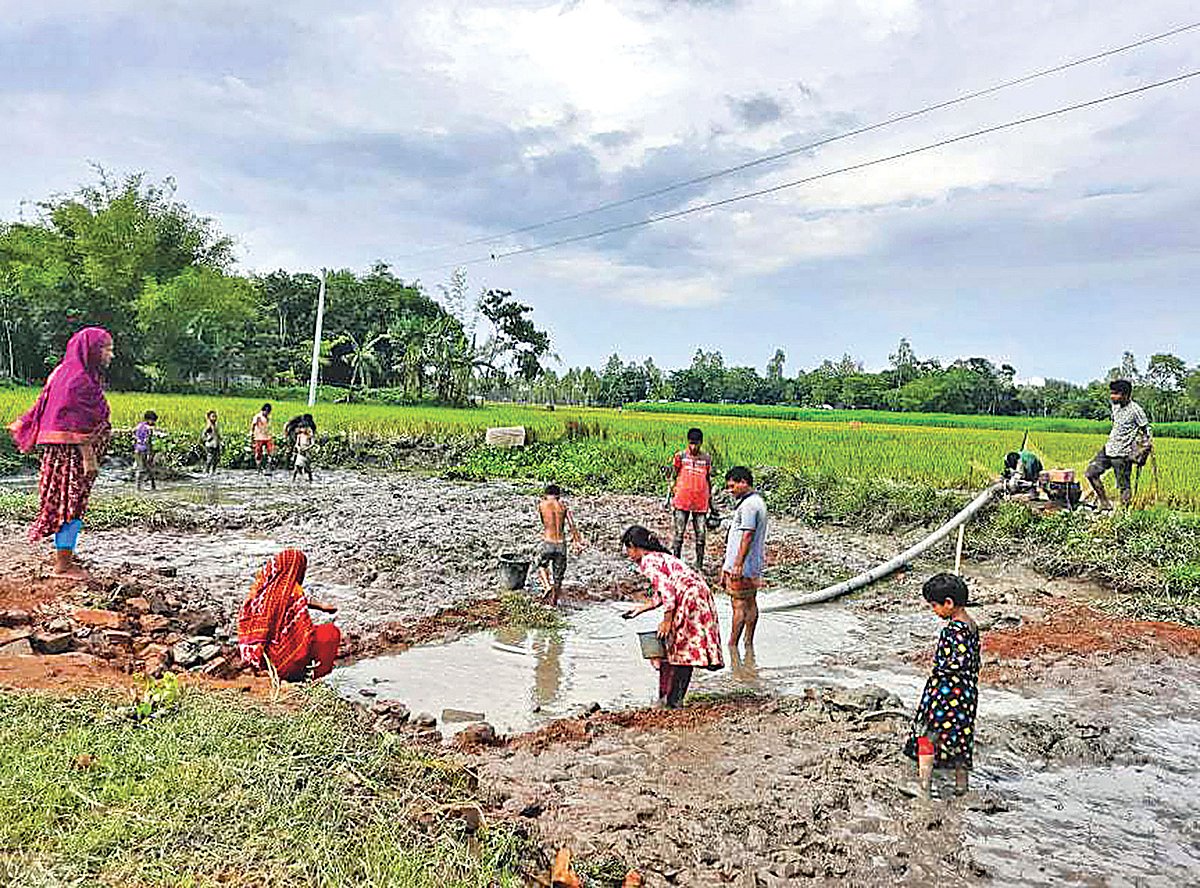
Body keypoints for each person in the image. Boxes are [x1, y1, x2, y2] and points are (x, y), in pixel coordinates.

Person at [7, 327, 114, 580]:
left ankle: (64, 555)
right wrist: (89, 456)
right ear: (91, 351)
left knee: (66, 502)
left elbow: (46, 405)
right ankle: (63, 565)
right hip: (74, 456)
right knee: (71, 504)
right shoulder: (79, 382)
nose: (112, 355)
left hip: (62, 453)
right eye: (107, 349)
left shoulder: (63, 373)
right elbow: (75, 423)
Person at [620, 525, 724, 708]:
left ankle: (673, 700)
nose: (628, 554)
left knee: (679, 647)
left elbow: (668, 593)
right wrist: (641, 609)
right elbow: (664, 591)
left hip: (689, 597)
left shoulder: (648, 561)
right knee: (684, 646)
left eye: (627, 549)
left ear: (633, 546)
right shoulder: (660, 557)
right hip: (697, 593)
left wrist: (667, 621)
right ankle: (674, 698)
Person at [905, 573, 980, 799]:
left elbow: (954, 664)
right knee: (960, 738)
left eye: (934, 605)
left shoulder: (952, 630)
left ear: (948, 603)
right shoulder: (972, 626)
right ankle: (961, 787)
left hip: (946, 692)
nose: (933, 610)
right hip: (966, 694)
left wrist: (937, 676)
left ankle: (924, 787)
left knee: (927, 736)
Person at [237, 549, 341, 682]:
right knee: (328, 633)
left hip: (253, 657)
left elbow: (281, 601)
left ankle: (265, 668)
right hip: (279, 662)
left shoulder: (261, 589)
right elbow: (303, 629)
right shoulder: (293, 592)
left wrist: (320, 606)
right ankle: (303, 674)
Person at [1085, 379, 1152, 509]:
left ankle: (1124, 513)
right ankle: (1104, 503)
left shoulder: (1136, 410)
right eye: (1111, 393)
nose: (1112, 396)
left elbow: (1146, 431)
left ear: (1126, 395)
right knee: (1091, 473)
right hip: (1108, 448)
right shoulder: (1115, 407)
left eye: (1116, 393)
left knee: (1124, 486)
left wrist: (1142, 451)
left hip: (1123, 453)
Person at [722, 466, 767, 649]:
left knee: (738, 604)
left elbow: (747, 535)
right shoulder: (757, 502)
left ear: (743, 482)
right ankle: (748, 643)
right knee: (750, 601)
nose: (730, 491)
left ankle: (732, 646)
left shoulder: (748, 506)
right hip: (753, 565)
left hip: (743, 565)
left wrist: (737, 564)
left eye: (733, 486)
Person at [668, 427, 714, 571]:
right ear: (688, 442)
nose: (694, 447)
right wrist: (672, 491)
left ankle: (699, 565)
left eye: (697, 444)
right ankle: (676, 563)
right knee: (679, 534)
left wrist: (711, 503)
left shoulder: (706, 459)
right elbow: (673, 476)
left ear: (701, 443)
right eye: (691, 443)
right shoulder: (681, 457)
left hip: (700, 503)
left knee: (701, 535)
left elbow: (708, 480)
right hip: (682, 501)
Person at [536, 484, 583, 605]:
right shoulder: (563, 506)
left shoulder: (542, 505)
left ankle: (546, 586)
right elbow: (572, 525)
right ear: (559, 495)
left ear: (546, 494)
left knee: (541, 565)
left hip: (548, 541)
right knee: (558, 579)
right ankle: (553, 604)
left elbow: (543, 521)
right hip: (561, 544)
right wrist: (577, 541)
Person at [132, 410, 158, 491]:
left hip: (137, 450)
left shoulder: (138, 426)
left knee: (146, 468)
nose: (154, 423)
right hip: (144, 450)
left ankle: (151, 486)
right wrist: (150, 453)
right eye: (153, 420)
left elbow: (134, 437)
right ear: (149, 419)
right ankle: (138, 488)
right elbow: (147, 441)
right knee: (143, 469)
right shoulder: (148, 429)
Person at [251, 403, 274, 474]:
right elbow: (253, 425)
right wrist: (252, 434)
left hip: (267, 437)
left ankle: (268, 466)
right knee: (258, 453)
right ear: (263, 410)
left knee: (271, 452)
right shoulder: (257, 417)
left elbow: (268, 427)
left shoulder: (268, 418)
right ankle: (258, 468)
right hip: (258, 437)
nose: (267, 413)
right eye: (266, 411)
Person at [201, 410, 222, 474]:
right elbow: (203, 434)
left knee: (217, 458)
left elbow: (217, 434)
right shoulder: (209, 425)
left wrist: (220, 440)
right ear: (209, 417)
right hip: (210, 445)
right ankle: (206, 471)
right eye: (213, 416)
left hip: (216, 444)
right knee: (210, 458)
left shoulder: (214, 425)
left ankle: (213, 471)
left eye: (215, 416)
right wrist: (207, 439)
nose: (214, 418)